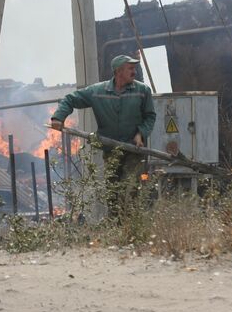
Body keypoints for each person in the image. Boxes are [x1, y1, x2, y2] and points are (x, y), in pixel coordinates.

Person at [51, 54, 156, 217]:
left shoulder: (143, 91)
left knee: (130, 189)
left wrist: (140, 133)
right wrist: (58, 117)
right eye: (130, 68)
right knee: (112, 192)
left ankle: (130, 229)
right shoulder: (98, 91)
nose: (134, 71)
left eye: (134, 68)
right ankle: (117, 230)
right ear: (118, 71)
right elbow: (70, 99)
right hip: (111, 150)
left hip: (134, 150)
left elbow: (150, 116)